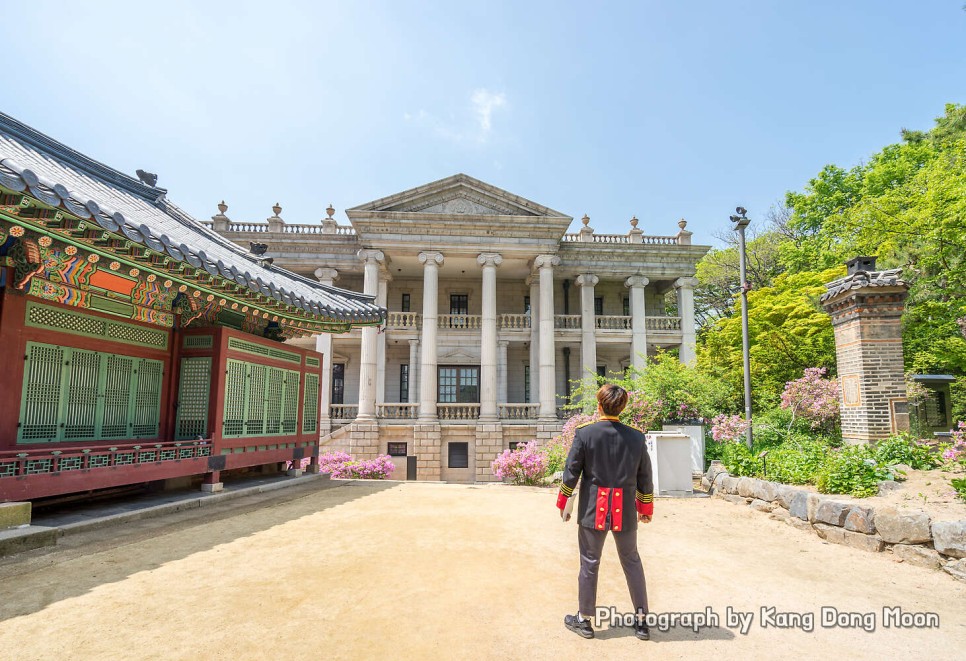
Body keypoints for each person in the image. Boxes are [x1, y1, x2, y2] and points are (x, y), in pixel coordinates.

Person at [556, 383, 654, 640]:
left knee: (589, 562)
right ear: (622, 408)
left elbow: (571, 472)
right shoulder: (636, 437)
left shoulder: (585, 434)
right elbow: (645, 476)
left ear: (599, 406)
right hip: (625, 511)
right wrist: (644, 507)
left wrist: (563, 503)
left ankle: (584, 620)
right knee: (632, 561)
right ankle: (642, 622)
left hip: (593, 509)